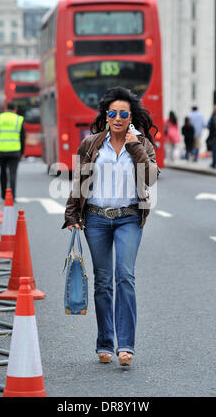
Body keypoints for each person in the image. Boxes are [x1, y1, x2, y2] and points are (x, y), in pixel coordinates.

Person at [62, 86, 160, 366]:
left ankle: (125, 345)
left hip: (129, 217)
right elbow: (80, 182)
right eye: (113, 113)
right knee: (103, 282)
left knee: (125, 277)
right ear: (107, 115)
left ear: (131, 117)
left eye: (124, 114)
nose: (118, 118)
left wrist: (135, 147)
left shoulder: (141, 144)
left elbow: (152, 178)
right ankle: (105, 342)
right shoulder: (91, 144)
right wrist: (72, 214)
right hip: (96, 219)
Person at [0, 102, 25, 201]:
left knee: (2, 172)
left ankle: (3, 194)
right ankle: (12, 196)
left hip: (1, 151)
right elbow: (22, 137)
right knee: (13, 173)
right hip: (15, 151)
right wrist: (22, 152)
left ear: (6, 108)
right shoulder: (18, 119)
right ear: (15, 109)